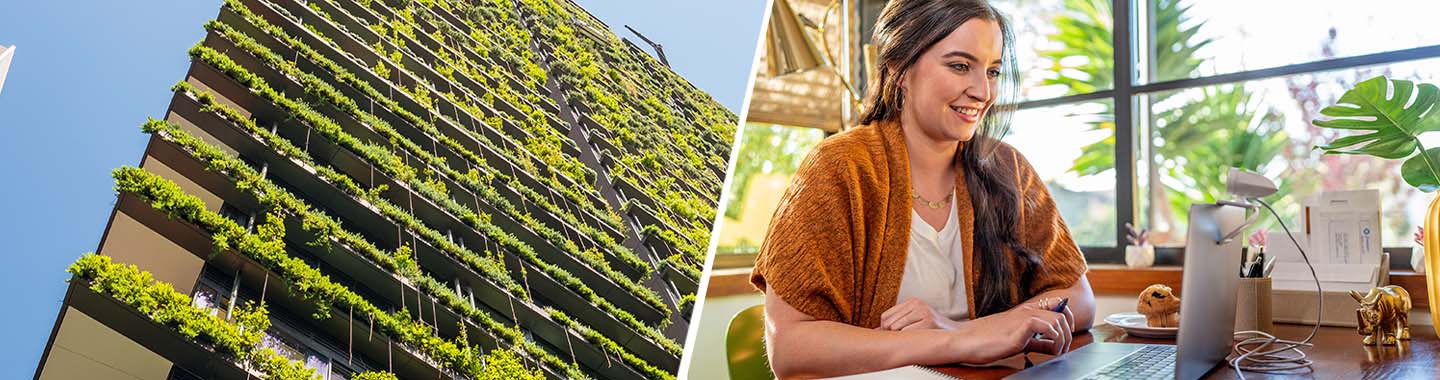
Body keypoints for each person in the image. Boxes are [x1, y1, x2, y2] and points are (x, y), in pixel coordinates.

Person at [749, 0, 1096, 377]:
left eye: (992, 71)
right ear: (900, 68)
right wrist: (961, 340)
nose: (983, 91)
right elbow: (792, 349)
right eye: (960, 66)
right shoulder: (839, 168)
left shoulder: (1008, 168)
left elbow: (1077, 296)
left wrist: (968, 329)